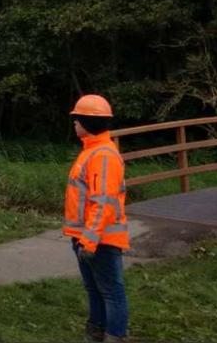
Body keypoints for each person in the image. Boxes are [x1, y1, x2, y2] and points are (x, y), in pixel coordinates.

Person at [64, 94, 130, 343]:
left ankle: (114, 336)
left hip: (100, 239)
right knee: (95, 289)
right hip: (87, 238)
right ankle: (96, 331)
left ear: (86, 122)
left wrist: (89, 241)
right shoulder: (91, 151)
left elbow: (103, 202)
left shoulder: (102, 155)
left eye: (76, 119)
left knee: (111, 292)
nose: (74, 123)